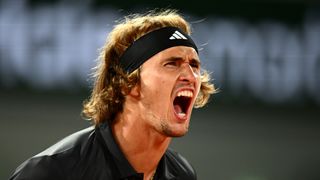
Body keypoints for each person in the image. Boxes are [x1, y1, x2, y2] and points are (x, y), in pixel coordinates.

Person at [9, 9, 215, 180]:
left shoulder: (182, 174)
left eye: (194, 65)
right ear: (127, 83)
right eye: (172, 63)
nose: (191, 75)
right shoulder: (51, 172)